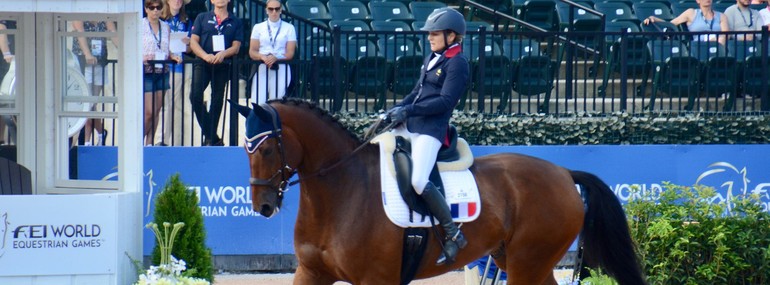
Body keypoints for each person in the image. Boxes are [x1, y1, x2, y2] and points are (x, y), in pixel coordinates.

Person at [383, 7, 469, 266]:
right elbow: (417, 92)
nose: (429, 37)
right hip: (412, 123)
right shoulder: (432, 57)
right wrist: (395, 110)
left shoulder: (458, 63)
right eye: (429, 33)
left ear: (451, 36)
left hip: (432, 130)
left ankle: (454, 233)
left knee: (419, 180)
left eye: (435, 33)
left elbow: (444, 102)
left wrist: (409, 110)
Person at [189, 0, 243, 146]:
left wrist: (223, 54)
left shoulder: (235, 21)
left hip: (222, 64)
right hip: (203, 62)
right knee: (195, 96)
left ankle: (210, 139)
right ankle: (212, 136)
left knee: (218, 99)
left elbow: (236, 47)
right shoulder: (202, 17)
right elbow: (193, 42)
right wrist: (205, 55)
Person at [72, 20, 118, 146]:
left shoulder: (104, 15)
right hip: (84, 62)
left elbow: (113, 33)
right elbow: (79, 33)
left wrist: (125, 51)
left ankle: (98, 134)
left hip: (99, 62)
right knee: (88, 103)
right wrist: (87, 53)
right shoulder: (80, 14)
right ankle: (88, 139)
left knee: (93, 103)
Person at [143, 0, 183, 146]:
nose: (155, 10)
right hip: (147, 71)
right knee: (148, 112)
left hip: (163, 70)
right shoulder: (140, 25)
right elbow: (132, 46)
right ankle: (136, 140)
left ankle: (149, 142)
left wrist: (172, 55)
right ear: (146, 9)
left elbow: (166, 47)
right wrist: (142, 57)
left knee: (157, 110)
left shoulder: (165, 27)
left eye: (158, 7)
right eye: (151, 7)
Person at [155, 0, 194, 146]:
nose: (177, 1)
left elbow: (190, 49)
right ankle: (162, 139)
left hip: (180, 68)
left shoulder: (186, 21)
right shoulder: (161, 19)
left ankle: (179, 142)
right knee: (165, 104)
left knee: (179, 106)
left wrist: (188, 43)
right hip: (163, 67)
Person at [248, 0, 297, 104]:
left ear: (281, 10)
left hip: (281, 66)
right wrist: (263, 57)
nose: (274, 12)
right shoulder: (258, 27)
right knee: (257, 101)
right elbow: (252, 51)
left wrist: (276, 57)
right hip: (261, 65)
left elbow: (290, 53)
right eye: (271, 9)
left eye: (277, 9)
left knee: (277, 102)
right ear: (266, 10)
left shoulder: (289, 28)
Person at [643, 0, 729, 45]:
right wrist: (654, 19)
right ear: (698, 1)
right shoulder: (691, 13)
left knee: (722, 38)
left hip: (718, 44)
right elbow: (671, 24)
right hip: (698, 46)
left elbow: (726, 34)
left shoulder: (721, 16)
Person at [0, 20, 16, 146]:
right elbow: (1, 29)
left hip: (11, 62)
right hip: (5, 62)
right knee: (4, 99)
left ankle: (1, 138)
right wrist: (6, 53)